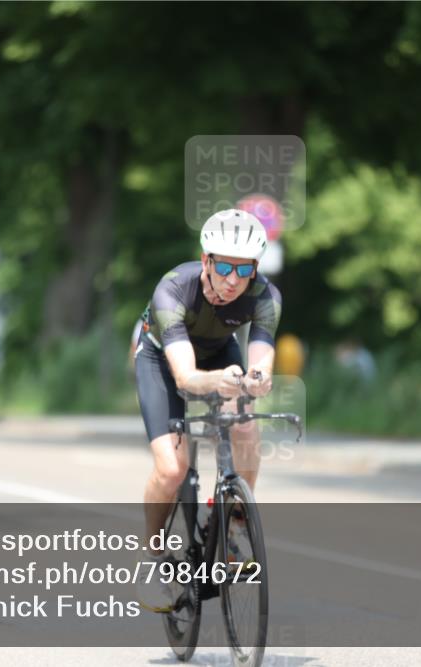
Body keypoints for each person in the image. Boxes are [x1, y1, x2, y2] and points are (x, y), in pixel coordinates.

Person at [133, 209, 281, 612]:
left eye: (244, 268)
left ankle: (232, 523)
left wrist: (258, 379)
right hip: (162, 359)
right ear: (206, 261)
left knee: (246, 428)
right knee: (171, 468)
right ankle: (152, 559)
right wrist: (220, 380)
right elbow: (184, 378)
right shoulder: (173, 289)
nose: (233, 279)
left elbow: (261, 360)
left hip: (218, 350)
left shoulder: (265, 296)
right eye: (225, 266)